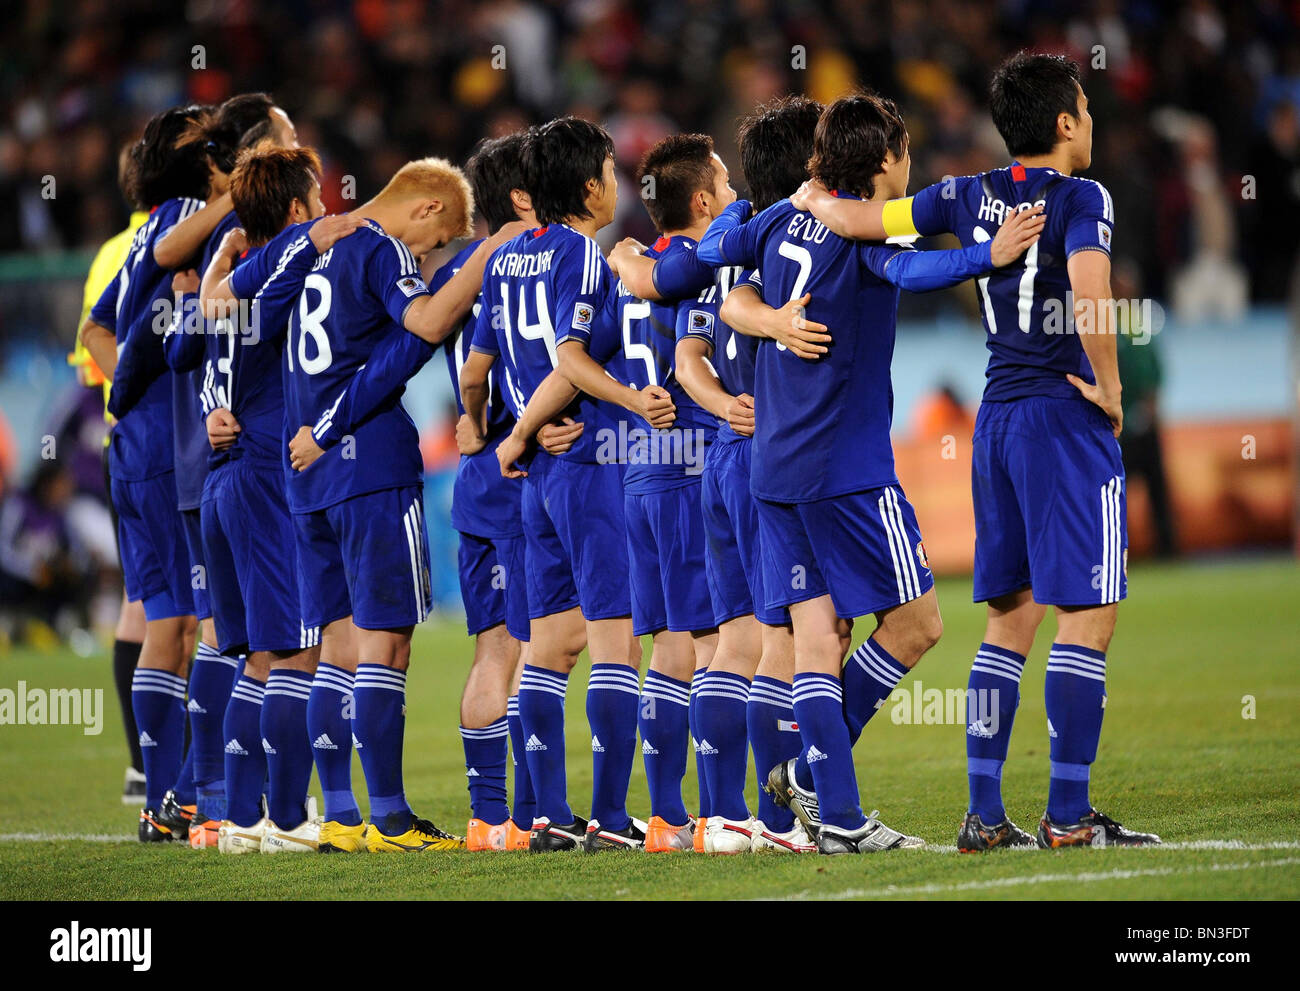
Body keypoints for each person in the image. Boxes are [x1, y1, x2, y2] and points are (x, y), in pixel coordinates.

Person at [792, 53, 1161, 849]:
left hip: (995, 422)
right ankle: (1067, 815)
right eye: (1088, 109)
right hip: (1062, 419)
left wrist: (809, 193)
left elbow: (860, 220)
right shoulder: (1081, 197)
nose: (1091, 121)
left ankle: (985, 814)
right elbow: (1093, 294)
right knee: (1089, 617)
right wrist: (1111, 389)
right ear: (1065, 123)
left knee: (1009, 621)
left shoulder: (966, 193)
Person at [702, 92, 1043, 854]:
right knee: (918, 623)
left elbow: (717, 250)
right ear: (887, 161)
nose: (911, 160)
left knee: (817, 639)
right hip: (845, 470)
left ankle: (842, 817)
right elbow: (913, 272)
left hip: (775, 469)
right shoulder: (851, 229)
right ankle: (815, 776)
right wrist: (987, 256)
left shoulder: (782, 219)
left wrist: (763, 307)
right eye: (906, 149)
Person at [254, 156, 521, 852]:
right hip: (367, 463)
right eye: (434, 245)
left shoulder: (311, 248)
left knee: (336, 648)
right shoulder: (377, 246)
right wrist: (488, 252)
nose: (427, 257)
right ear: (427, 209)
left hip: (304, 472)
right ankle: (394, 821)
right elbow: (428, 318)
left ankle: (342, 816)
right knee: (386, 643)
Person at [460, 117, 648, 852]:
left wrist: (491, 428)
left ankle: (543, 816)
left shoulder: (504, 262)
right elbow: (569, 360)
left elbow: (476, 372)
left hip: (535, 481)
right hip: (589, 462)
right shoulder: (584, 255)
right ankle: (607, 818)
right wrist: (621, 404)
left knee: (545, 648)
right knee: (614, 643)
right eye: (610, 168)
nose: (617, 182)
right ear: (591, 186)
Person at [78, 105, 211, 841]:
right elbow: (106, 332)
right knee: (204, 621)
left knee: (169, 619)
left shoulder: (140, 235)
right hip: (170, 451)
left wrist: (123, 396)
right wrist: (138, 394)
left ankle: (166, 799)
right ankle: (201, 792)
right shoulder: (186, 218)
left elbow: (94, 327)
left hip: (136, 446)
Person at [68, 141, 150, 805]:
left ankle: (142, 763)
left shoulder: (104, 257)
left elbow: (90, 361)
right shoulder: (164, 245)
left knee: (141, 601)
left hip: (123, 443)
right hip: (162, 445)